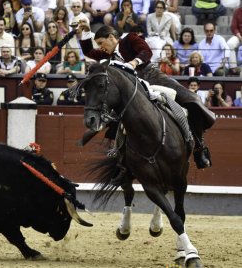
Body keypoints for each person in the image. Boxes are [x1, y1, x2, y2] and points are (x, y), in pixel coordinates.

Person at [77, 21, 215, 184]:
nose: (100, 48)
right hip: (134, 92)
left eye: (101, 43)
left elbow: (146, 51)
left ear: (112, 37)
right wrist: (85, 32)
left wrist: (133, 63)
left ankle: (199, 148)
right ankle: (121, 166)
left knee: (192, 99)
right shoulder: (108, 55)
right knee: (115, 121)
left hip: (152, 77)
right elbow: (89, 52)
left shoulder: (129, 38)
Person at [227, 6, 242, 75]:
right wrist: (239, 36)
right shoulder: (237, 11)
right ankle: (233, 68)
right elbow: (234, 27)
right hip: (239, 35)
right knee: (230, 44)